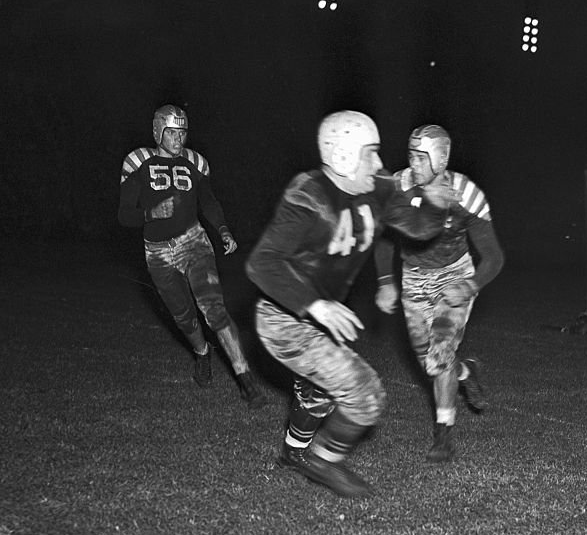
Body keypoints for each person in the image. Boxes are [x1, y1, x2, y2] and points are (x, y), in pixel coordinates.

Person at [246, 111, 392, 498]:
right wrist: (316, 305)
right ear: (343, 156)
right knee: (365, 395)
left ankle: (293, 454)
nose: (379, 163)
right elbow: (262, 263)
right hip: (286, 318)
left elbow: (394, 219)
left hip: (319, 318)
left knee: (319, 394)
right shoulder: (309, 193)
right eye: (371, 153)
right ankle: (322, 460)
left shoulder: (373, 188)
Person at [118, 104, 265, 408]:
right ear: (159, 131)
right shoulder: (138, 161)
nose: (178, 138)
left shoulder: (196, 163)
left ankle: (246, 379)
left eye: (182, 131)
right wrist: (150, 213)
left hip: (194, 241)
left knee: (214, 309)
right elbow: (123, 214)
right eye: (172, 132)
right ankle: (201, 353)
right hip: (158, 252)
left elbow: (208, 201)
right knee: (184, 317)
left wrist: (223, 229)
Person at [375, 124, 505, 463]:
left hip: (453, 278)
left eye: (421, 158)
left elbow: (493, 257)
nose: (413, 165)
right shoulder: (399, 187)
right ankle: (465, 373)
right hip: (414, 279)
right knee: (430, 363)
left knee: (440, 354)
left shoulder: (466, 194)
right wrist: (386, 281)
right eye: (411, 156)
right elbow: (384, 237)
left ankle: (443, 433)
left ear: (441, 158)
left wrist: (471, 285)